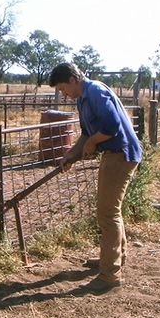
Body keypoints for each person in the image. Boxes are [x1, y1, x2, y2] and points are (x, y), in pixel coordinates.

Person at [48, 62, 143, 292]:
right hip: (113, 154)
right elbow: (86, 134)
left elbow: (111, 127)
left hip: (122, 154)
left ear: (72, 79)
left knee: (108, 213)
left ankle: (110, 275)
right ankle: (112, 260)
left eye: (63, 88)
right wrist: (71, 155)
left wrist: (91, 143)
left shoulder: (96, 92)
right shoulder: (82, 98)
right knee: (110, 211)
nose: (63, 94)